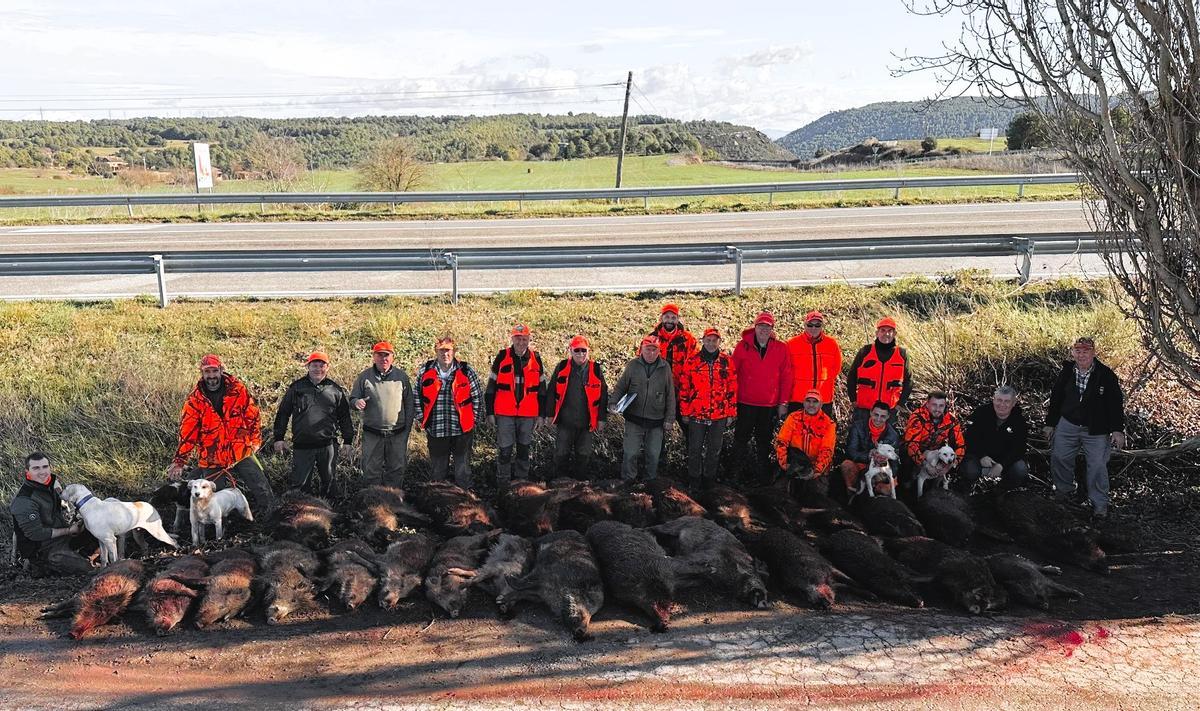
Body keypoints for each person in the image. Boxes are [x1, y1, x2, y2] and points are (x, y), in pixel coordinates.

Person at [168, 354, 277, 516]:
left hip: (240, 450)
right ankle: (220, 526)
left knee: (260, 486)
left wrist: (255, 440)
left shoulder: (237, 390)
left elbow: (253, 415)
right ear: (202, 373)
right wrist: (179, 461)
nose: (211, 376)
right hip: (212, 456)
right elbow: (187, 433)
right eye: (207, 372)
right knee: (211, 497)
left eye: (214, 371)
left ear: (221, 370)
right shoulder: (195, 400)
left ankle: (271, 516)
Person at [1044, 337, 1125, 520]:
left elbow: (1115, 404)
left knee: (1097, 465)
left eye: (1086, 351)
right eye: (1078, 351)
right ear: (1073, 353)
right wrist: (1050, 424)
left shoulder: (1105, 374)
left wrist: (1117, 430)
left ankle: (1099, 506)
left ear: (1093, 353)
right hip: (1068, 422)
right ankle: (1063, 494)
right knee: (1059, 457)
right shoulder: (1066, 371)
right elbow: (1056, 398)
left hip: (1096, 428)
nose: (1081, 355)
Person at [272, 351, 354, 497]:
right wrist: (279, 438)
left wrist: (348, 441)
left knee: (329, 484)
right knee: (300, 487)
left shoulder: (335, 389)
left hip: (327, 445)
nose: (318, 369)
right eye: (314, 365)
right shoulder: (296, 388)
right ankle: (300, 515)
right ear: (308, 367)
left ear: (327, 367)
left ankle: (330, 515)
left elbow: (344, 417)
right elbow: (283, 413)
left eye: (322, 365)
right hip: (302, 446)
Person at [732, 311, 793, 484]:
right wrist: (731, 402)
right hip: (745, 403)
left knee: (764, 442)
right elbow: (731, 374)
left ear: (772, 329)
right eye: (761, 326)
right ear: (755, 327)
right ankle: (735, 474)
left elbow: (786, 377)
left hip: (768, 405)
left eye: (768, 326)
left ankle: (762, 477)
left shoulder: (781, 348)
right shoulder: (742, 346)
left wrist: (783, 402)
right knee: (740, 440)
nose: (764, 329)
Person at [414, 336, 484, 489]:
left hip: (462, 429)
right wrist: (421, 418)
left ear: (454, 351)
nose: (445, 354)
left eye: (448, 350)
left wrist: (474, 421)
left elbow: (477, 397)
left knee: (463, 470)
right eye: (441, 351)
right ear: (435, 351)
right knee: (438, 471)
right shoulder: (425, 371)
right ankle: (439, 500)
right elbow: (416, 396)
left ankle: (466, 501)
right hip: (436, 429)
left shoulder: (466, 371)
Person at [9, 452, 94, 576]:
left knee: (100, 527)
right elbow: (36, 534)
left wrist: (80, 522)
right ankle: (44, 566)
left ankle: (85, 554)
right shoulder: (24, 501)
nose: (42, 472)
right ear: (27, 471)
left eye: (45, 467)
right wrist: (69, 530)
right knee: (90, 569)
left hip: (65, 537)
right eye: (36, 468)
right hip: (45, 549)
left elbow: (64, 498)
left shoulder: (49, 485)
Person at [484, 324, 547, 486]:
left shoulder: (536, 358)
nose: (521, 342)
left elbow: (542, 391)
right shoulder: (502, 356)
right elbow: (491, 386)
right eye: (518, 338)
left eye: (524, 339)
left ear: (529, 340)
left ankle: (521, 484)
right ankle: (503, 484)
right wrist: (490, 412)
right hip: (505, 414)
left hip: (528, 414)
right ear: (512, 339)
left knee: (524, 450)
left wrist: (541, 415)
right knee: (504, 451)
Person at [677, 327, 738, 491]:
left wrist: (731, 412)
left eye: (715, 340)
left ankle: (709, 480)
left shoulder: (727, 361)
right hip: (697, 414)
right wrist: (685, 412)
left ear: (719, 342)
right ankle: (694, 481)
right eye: (708, 340)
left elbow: (732, 388)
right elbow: (684, 388)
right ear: (703, 340)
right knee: (695, 449)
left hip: (719, 415)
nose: (711, 343)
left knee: (714, 451)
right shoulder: (692, 361)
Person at [349, 341, 414, 488]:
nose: (383, 358)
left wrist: (406, 431)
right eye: (380, 355)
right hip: (372, 434)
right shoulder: (364, 377)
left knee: (396, 470)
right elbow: (352, 399)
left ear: (392, 357)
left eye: (387, 355)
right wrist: (356, 402)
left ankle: (394, 503)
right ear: (374, 357)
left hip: (397, 434)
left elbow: (410, 405)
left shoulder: (401, 377)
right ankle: (373, 504)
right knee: (371, 471)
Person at [543, 335, 609, 479]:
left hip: (587, 423)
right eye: (577, 350)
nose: (580, 354)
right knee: (561, 454)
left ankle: (580, 487)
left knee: (583, 456)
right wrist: (549, 415)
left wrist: (602, 419)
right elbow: (551, 392)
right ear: (570, 351)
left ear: (588, 351)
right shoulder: (562, 366)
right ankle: (559, 483)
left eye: (583, 350)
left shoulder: (596, 369)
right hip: (565, 422)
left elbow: (603, 396)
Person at [611, 335, 676, 481]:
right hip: (634, 417)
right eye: (648, 349)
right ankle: (628, 482)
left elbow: (670, 395)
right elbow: (621, 386)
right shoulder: (633, 365)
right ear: (642, 349)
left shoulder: (665, 368)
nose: (651, 353)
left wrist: (670, 419)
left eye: (654, 350)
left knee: (653, 455)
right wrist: (613, 402)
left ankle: (649, 483)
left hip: (656, 421)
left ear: (659, 351)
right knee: (630, 453)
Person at [960, 385, 1030, 492]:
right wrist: (981, 456)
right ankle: (967, 490)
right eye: (999, 400)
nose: (1002, 404)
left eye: (1007, 401)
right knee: (970, 470)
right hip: (980, 456)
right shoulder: (980, 413)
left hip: (1004, 459)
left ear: (1013, 403)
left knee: (1020, 470)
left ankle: (1001, 491)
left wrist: (1002, 464)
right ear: (993, 400)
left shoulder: (1019, 421)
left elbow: (1019, 448)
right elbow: (969, 437)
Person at [846, 317, 912, 425]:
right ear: (877, 333)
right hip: (864, 407)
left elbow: (909, 380)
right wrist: (853, 399)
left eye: (889, 331)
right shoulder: (865, 351)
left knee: (887, 440)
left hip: (889, 409)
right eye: (883, 330)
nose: (886, 334)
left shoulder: (902, 354)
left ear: (894, 334)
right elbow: (852, 376)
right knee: (859, 437)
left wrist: (901, 403)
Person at [774, 390, 837, 499]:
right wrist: (784, 464)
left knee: (815, 499)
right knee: (778, 496)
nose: (811, 405)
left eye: (815, 402)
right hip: (793, 466)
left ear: (821, 404)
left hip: (815, 470)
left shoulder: (828, 424)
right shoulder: (793, 418)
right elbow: (781, 442)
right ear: (803, 403)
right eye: (808, 401)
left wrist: (816, 471)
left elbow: (827, 451)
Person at [838, 401, 902, 498]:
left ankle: (878, 495)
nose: (878, 419)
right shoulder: (857, 426)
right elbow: (851, 451)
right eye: (876, 415)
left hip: (883, 468)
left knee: (887, 490)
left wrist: (884, 465)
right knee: (847, 465)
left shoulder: (893, 435)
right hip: (862, 464)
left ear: (888, 417)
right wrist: (869, 456)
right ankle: (853, 497)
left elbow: (895, 463)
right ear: (871, 413)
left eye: (883, 416)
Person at [786, 310, 843, 419]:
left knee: (821, 433)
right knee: (796, 433)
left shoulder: (832, 344)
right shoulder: (791, 344)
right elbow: (786, 370)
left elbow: (836, 368)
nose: (813, 328)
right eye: (810, 325)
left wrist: (824, 382)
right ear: (804, 325)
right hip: (798, 398)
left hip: (823, 399)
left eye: (817, 325)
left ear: (822, 326)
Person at [902, 391, 966, 486]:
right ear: (927, 404)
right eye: (934, 405)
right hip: (917, 450)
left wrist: (951, 464)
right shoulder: (917, 417)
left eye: (941, 406)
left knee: (952, 458)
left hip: (936, 451)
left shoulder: (951, 420)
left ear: (945, 406)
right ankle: (907, 484)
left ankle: (939, 484)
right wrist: (925, 464)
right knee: (906, 461)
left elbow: (960, 445)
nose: (937, 409)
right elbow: (911, 444)